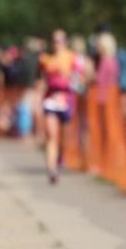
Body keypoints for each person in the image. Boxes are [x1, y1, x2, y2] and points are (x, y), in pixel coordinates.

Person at [38, 29, 84, 184]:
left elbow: (78, 78)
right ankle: (51, 169)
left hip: (66, 99)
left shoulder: (72, 58)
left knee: (62, 137)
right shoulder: (46, 59)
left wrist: (70, 80)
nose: (56, 44)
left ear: (65, 42)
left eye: (59, 40)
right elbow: (41, 79)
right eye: (54, 40)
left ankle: (59, 157)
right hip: (51, 98)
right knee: (52, 134)